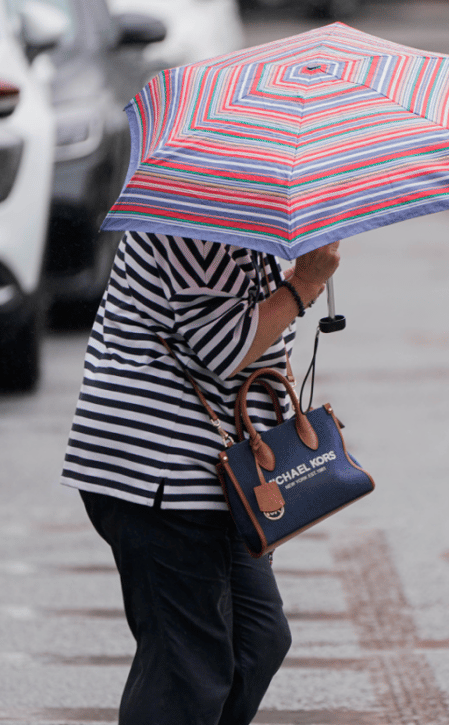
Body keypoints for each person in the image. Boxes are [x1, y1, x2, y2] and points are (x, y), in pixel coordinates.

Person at [61, 232, 340, 725]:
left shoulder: (253, 229)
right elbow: (226, 351)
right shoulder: (191, 226)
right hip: (158, 474)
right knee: (187, 669)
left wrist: (301, 275)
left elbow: (266, 345)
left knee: (257, 641)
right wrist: (307, 283)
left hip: (218, 480)